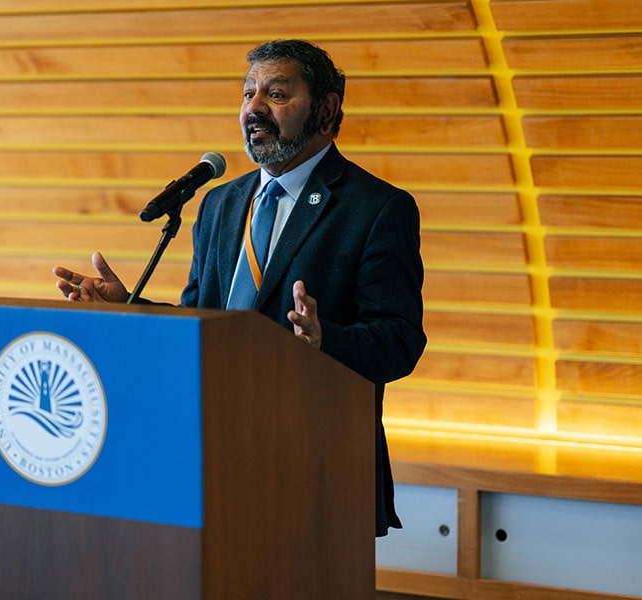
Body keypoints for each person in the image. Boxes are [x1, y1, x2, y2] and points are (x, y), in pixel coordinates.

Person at [53, 39, 426, 537]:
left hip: (317, 473)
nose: (254, 107)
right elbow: (200, 324)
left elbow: (400, 341)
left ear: (327, 109)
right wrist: (130, 308)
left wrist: (324, 341)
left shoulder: (376, 208)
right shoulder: (219, 204)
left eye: (275, 93)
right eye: (248, 93)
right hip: (209, 457)